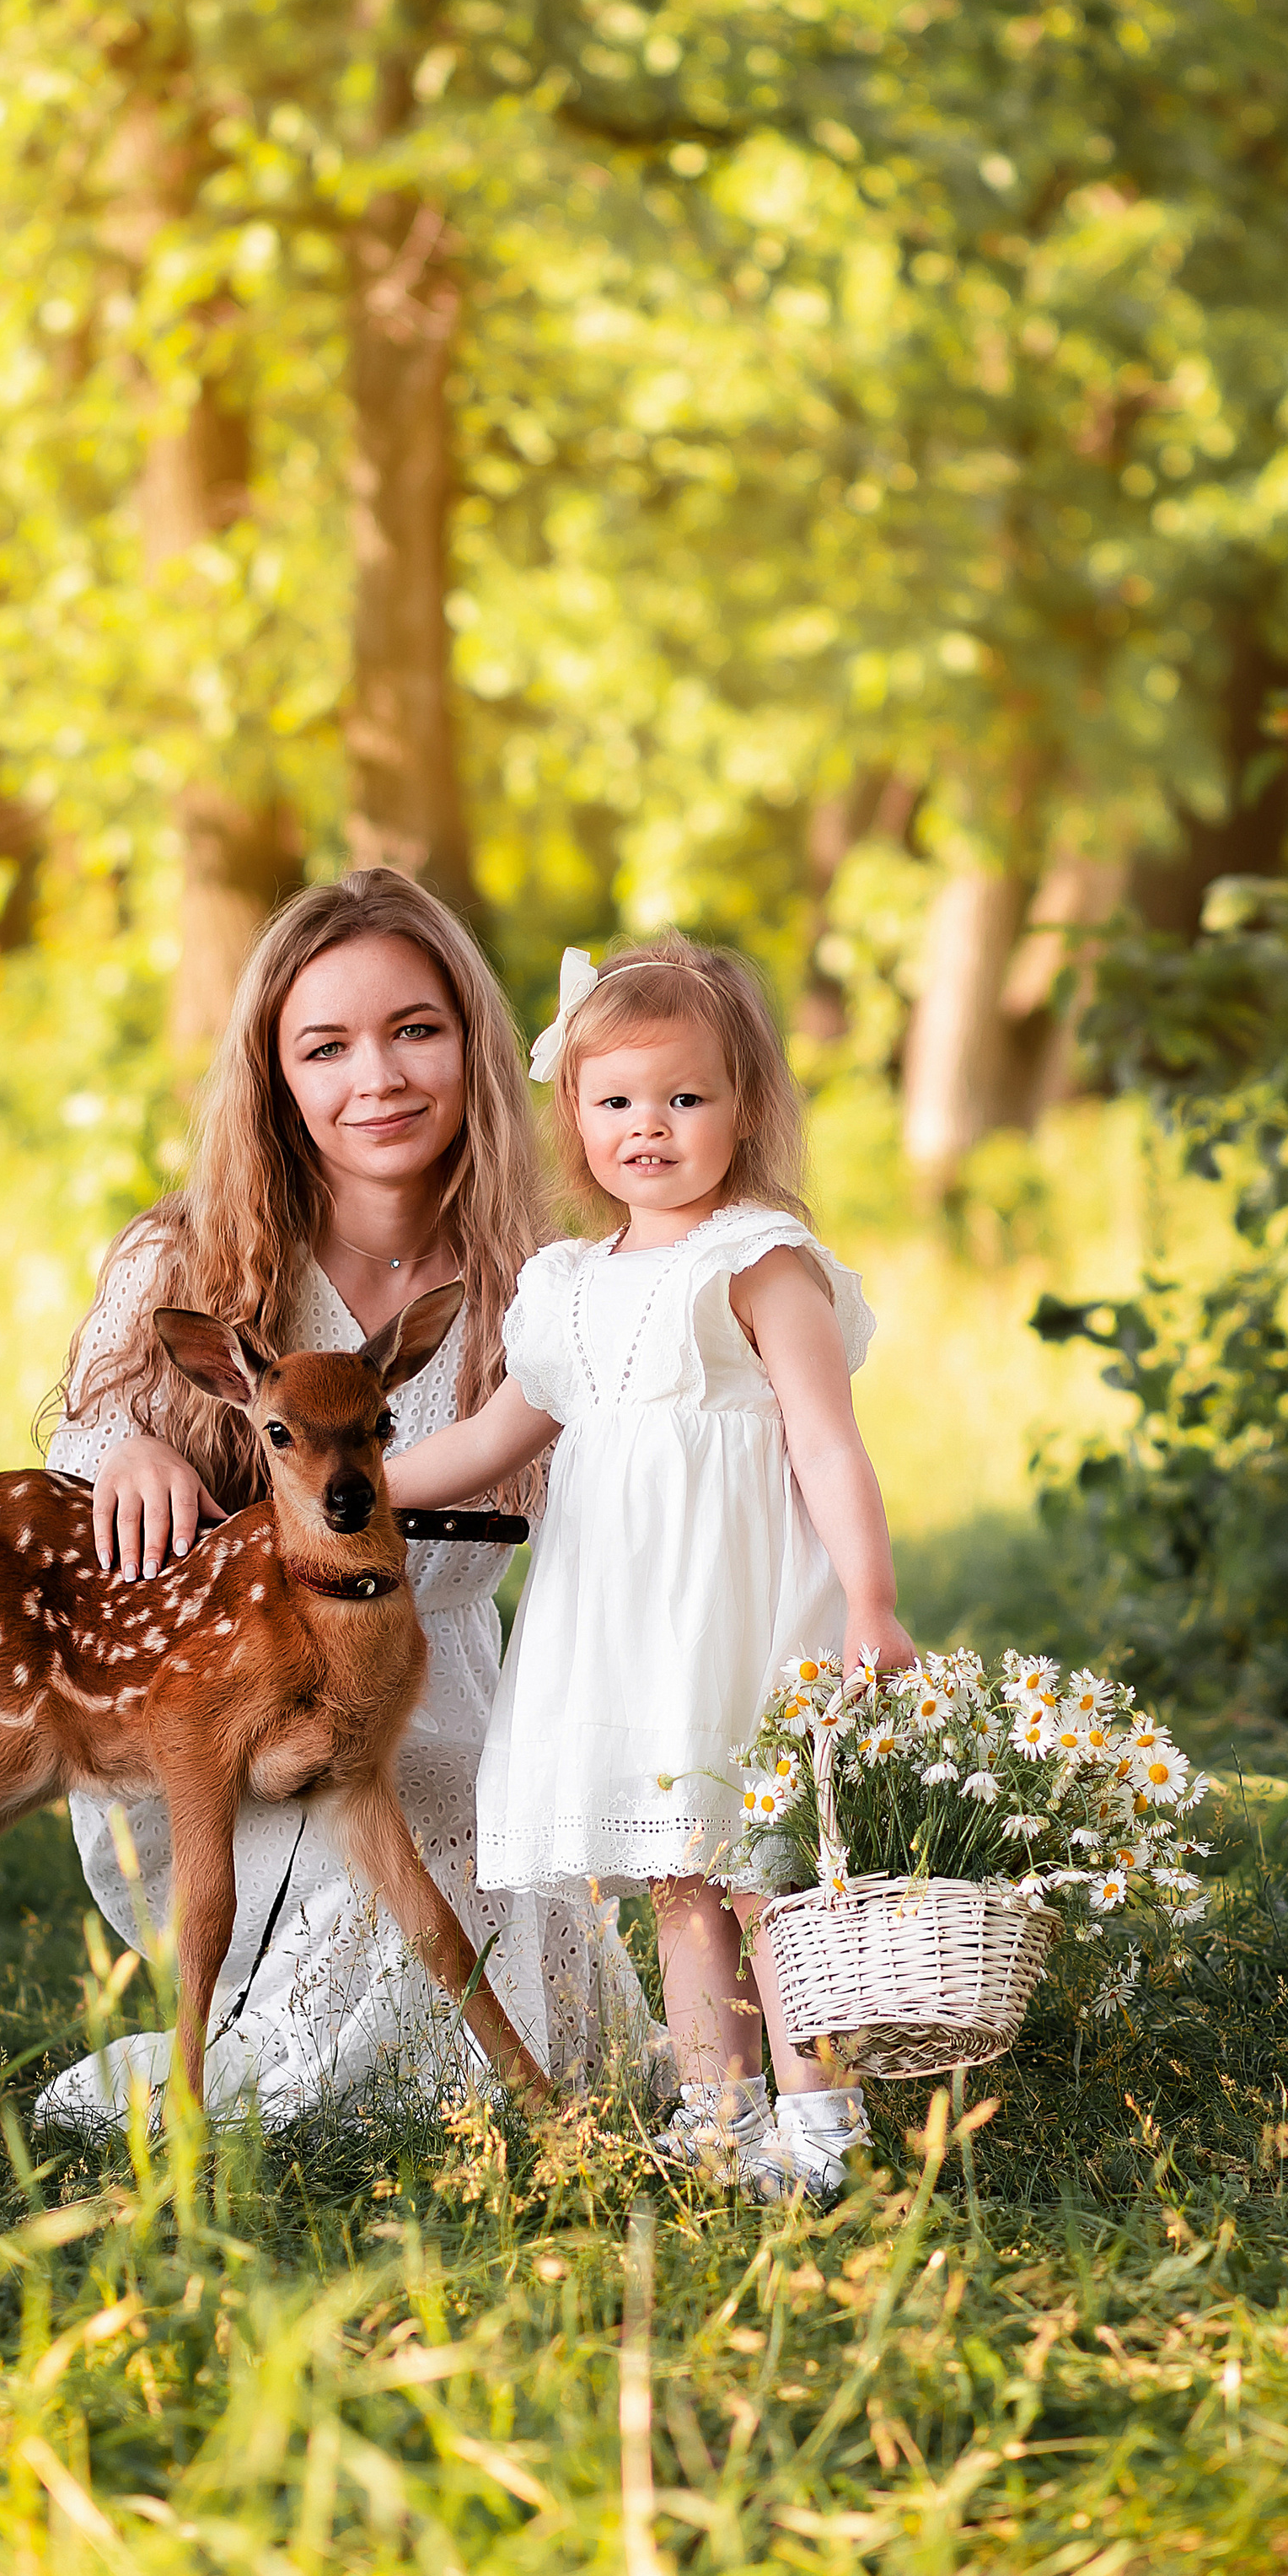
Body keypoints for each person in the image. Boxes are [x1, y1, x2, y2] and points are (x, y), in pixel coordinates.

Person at [34, 870, 649, 2134]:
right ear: (275, 1076)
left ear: (472, 1047)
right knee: (445, 1850)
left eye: (415, 1031)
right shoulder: (193, 1257)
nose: (378, 1078)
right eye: (326, 1046)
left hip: (442, 1695)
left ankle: (475, 2090)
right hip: (229, 1726)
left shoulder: (547, 1286)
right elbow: (84, 1438)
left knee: (500, 1846)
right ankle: (288, 2085)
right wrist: (123, 1454)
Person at [386, 933, 917, 2200]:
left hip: (737, 1616)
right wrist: (352, 1487)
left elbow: (830, 1447)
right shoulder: (567, 1289)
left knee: (764, 1882)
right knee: (680, 1881)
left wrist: (874, 1601)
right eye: (617, 1100)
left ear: (746, 1110)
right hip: (623, 1628)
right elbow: (490, 1437)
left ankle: (821, 2128)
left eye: (687, 1098)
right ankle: (718, 2114)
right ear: (572, 1115)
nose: (651, 1128)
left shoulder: (756, 1264)